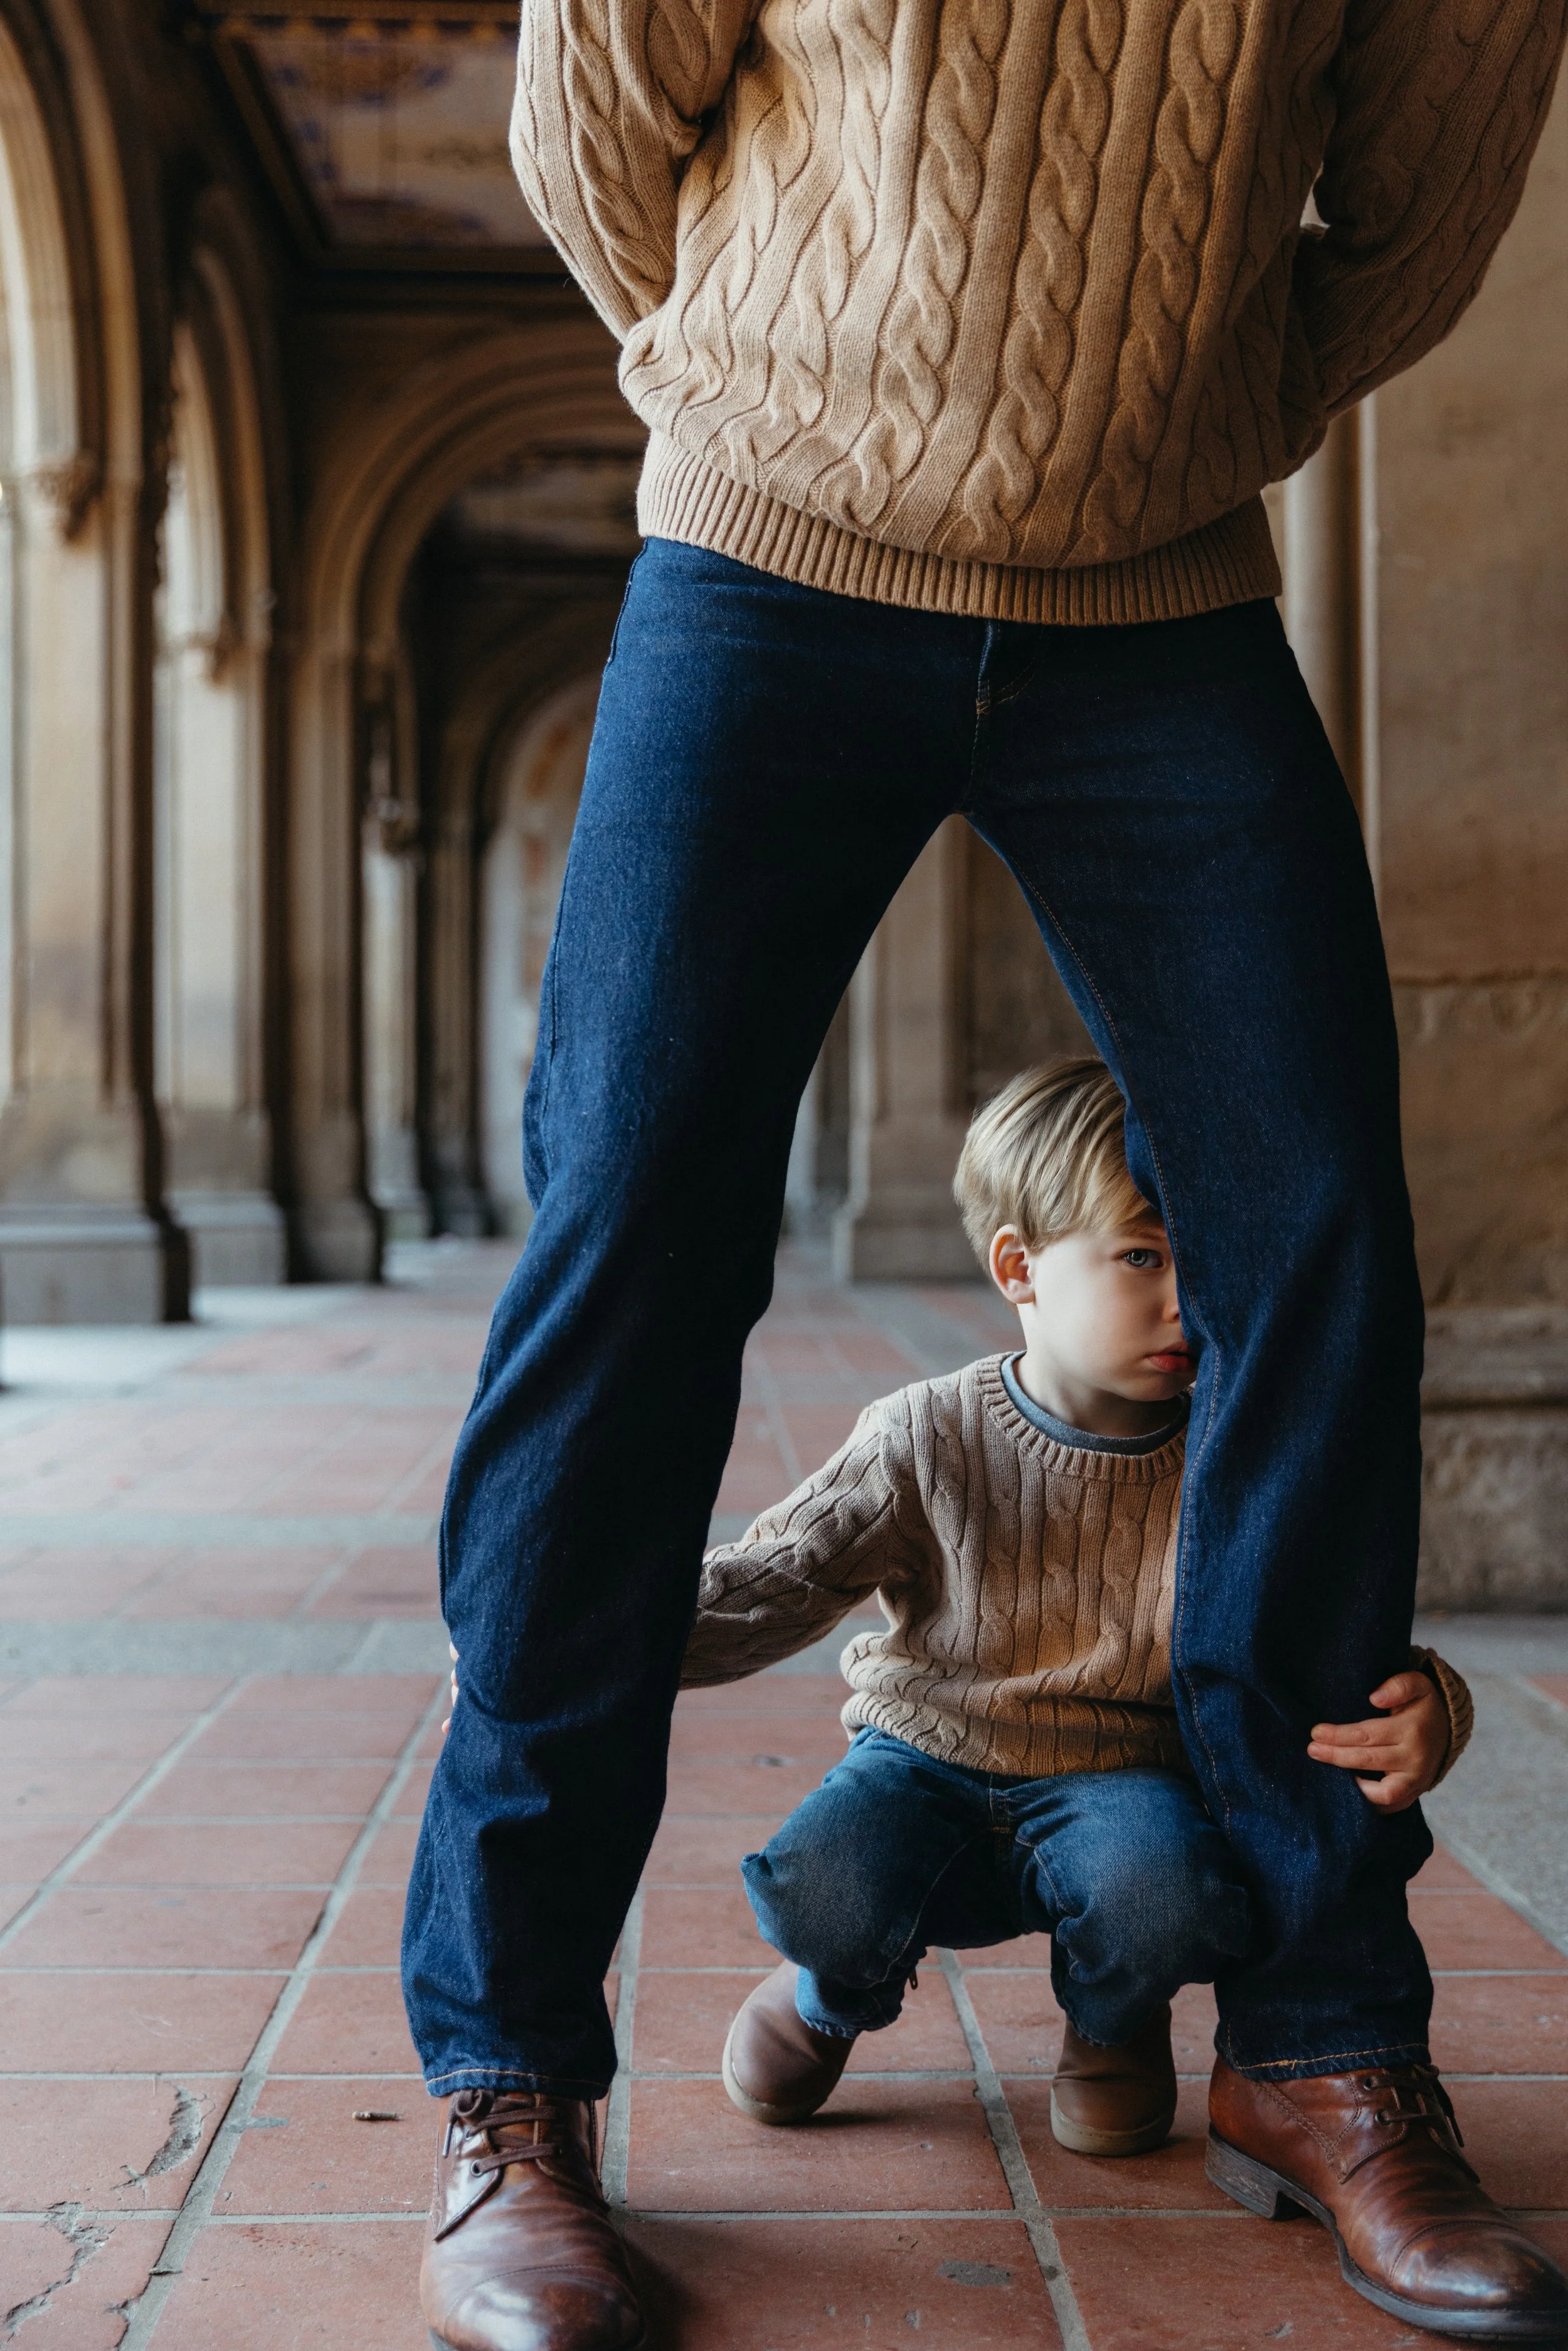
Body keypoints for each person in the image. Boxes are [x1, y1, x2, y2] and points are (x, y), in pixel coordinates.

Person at [405, 0, 1568, 2337]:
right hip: (764, 563)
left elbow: (1422, 212)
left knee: (1316, 1244)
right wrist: (774, 384)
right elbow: (589, 120)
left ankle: (1326, 2039)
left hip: (1162, 603)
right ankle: (512, 2079)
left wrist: (1169, 422)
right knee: (627, 1251)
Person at [689, 1060, 1475, 2192]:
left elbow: (1328, 1622)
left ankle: (1114, 2014)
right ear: (1020, 1267)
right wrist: (586, 1643)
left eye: (1203, 1259)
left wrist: (1430, 1711)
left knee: (1169, 1897)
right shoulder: (926, 1435)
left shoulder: (1233, 1452)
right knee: (828, 1881)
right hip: (927, 1758)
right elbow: (775, 1580)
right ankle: (828, 1994)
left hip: (1122, 1777)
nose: (1184, 1298)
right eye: (1144, 1255)